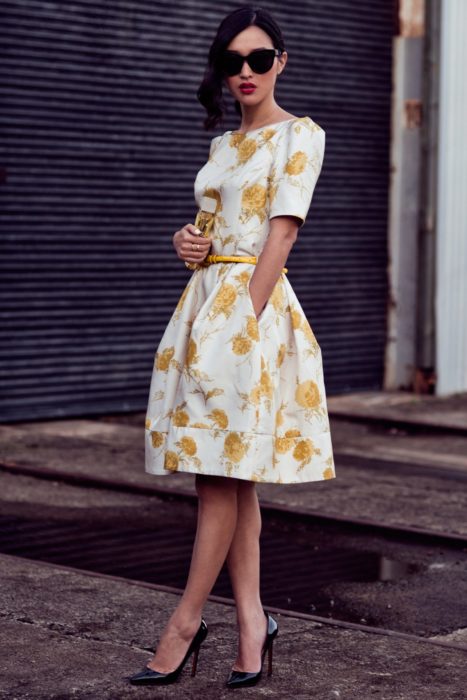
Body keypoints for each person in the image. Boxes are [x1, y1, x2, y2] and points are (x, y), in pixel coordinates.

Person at [129, 4, 335, 690]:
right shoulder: (221, 147)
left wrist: (242, 326)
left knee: (218, 475)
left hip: (249, 313)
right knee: (226, 471)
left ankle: (185, 623)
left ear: (280, 61)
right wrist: (184, 242)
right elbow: (207, 231)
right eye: (231, 61)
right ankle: (251, 623)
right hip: (203, 305)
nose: (243, 73)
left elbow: (280, 234)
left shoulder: (299, 136)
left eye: (257, 58)